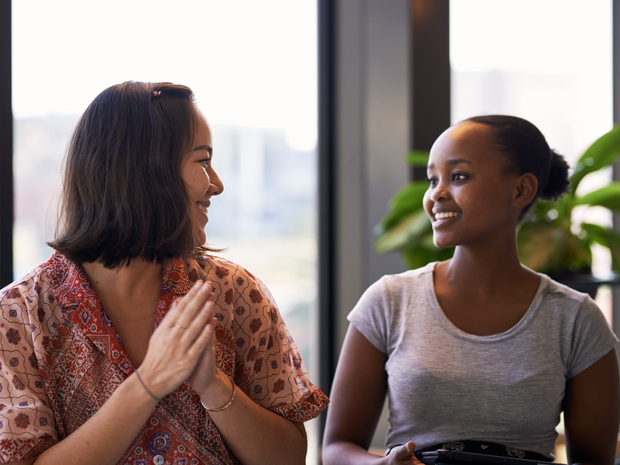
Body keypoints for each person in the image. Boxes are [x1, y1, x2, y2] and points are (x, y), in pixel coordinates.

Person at [0, 81, 328, 465]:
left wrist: (215, 386)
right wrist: (148, 383)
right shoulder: (19, 314)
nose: (217, 185)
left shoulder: (235, 292)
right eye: (203, 161)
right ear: (144, 171)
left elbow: (288, 459)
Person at [322, 115, 620, 465]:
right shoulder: (389, 300)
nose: (436, 194)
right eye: (433, 180)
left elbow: (594, 462)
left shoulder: (576, 318)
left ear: (521, 189)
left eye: (458, 176)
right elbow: (337, 447)